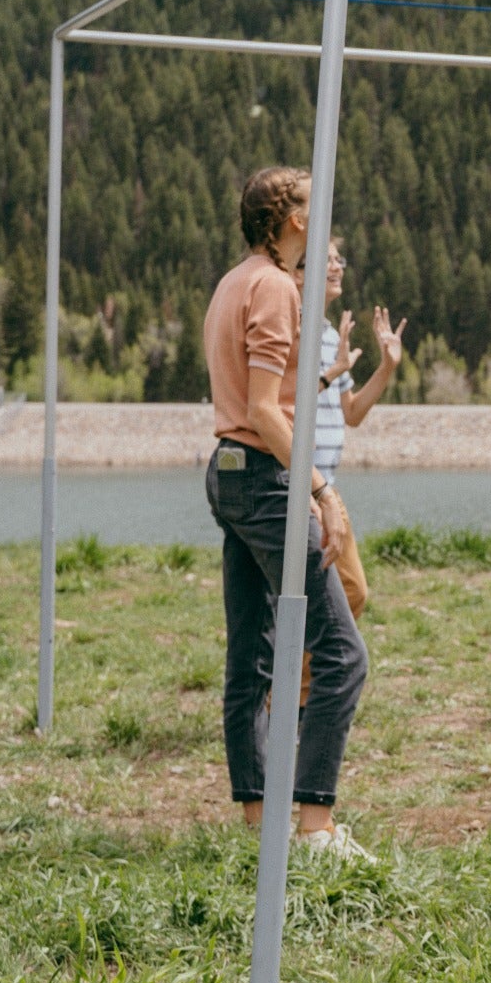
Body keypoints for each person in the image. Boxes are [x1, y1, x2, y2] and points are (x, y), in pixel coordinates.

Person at [202, 167, 373, 862]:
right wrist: (321, 491)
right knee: (342, 652)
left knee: (253, 655)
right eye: (315, 203)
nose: (326, 215)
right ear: (293, 219)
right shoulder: (273, 285)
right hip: (265, 476)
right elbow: (266, 409)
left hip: (229, 470)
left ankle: (256, 820)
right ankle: (314, 828)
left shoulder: (235, 280)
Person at [311, 236, 406, 619]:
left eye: (339, 260)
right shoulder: (294, 330)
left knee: (351, 593)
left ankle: (302, 679)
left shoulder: (330, 335)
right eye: (327, 260)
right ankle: (292, 680)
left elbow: (351, 412)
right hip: (302, 487)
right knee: (331, 597)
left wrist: (386, 367)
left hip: (326, 487)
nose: (337, 267)